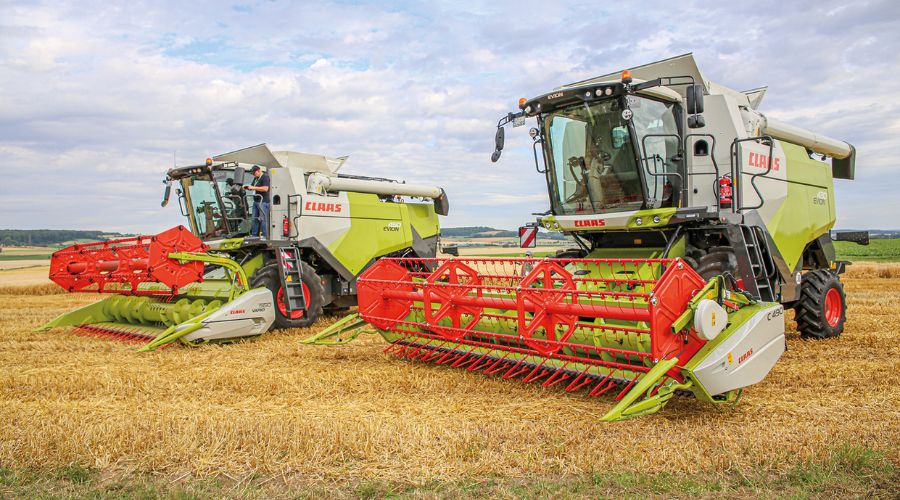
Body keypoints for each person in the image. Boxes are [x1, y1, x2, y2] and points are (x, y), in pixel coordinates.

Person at [244, 165, 270, 238]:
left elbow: (265, 189)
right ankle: (254, 235)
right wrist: (247, 187)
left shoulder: (265, 177)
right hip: (256, 201)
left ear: (259, 171)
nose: (253, 174)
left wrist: (253, 187)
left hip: (263, 201)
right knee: (254, 218)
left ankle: (265, 235)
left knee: (263, 219)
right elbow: (253, 187)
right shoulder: (256, 178)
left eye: (254, 173)